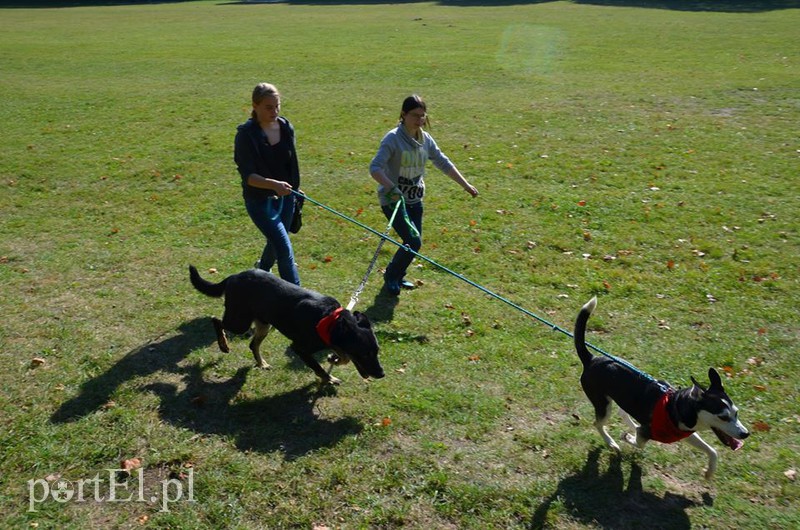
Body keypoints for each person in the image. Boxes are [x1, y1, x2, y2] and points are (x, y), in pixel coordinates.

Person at [369, 94, 478, 296]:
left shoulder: (425, 139)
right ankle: (391, 276)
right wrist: (392, 188)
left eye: (422, 116)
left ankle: (397, 274)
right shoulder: (393, 138)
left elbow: (443, 162)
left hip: (415, 199)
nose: (419, 120)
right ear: (403, 114)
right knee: (413, 241)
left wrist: (465, 185)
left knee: (413, 243)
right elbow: (375, 168)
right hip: (393, 201)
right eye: (415, 115)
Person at [234, 82, 301, 285]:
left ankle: (261, 271)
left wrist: (294, 189)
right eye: (268, 107)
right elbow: (249, 176)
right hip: (259, 201)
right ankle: (298, 298)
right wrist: (274, 185)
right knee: (283, 247)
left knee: (276, 240)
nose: (275, 111)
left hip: (286, 197)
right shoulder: (246, 135)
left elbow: (290, 163)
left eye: (277, 106)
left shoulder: (285, 127)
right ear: (255, 106)